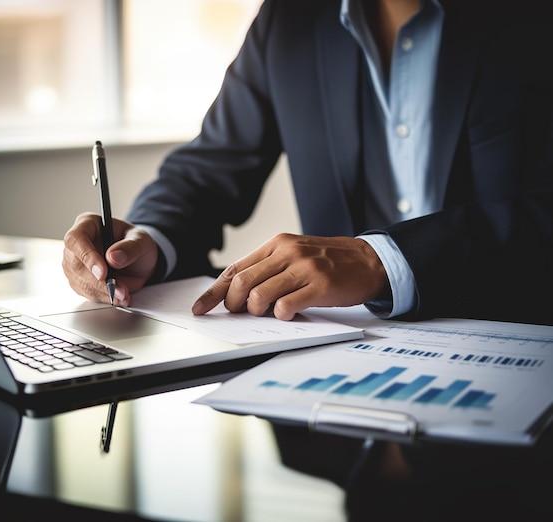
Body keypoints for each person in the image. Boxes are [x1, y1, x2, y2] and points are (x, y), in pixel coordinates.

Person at [63, 0, 553, 520]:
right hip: (346, 375)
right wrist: (145, 239)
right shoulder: (290, 17)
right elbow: (209, 168)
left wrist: (387, 261)